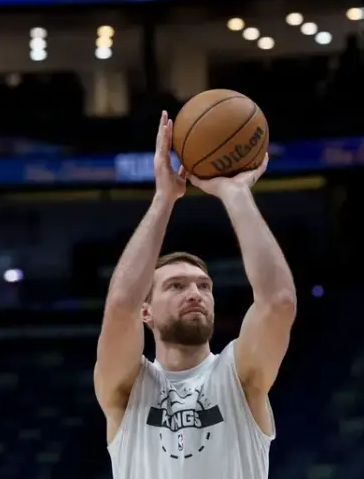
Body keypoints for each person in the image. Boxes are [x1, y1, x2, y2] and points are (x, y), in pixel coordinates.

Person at [94, 111, 297, 479]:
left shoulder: (239, 375)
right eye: (176, 286)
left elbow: (278, 300)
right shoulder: (127, 387)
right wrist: (163, 199)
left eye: (204, 286)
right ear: (147, 312)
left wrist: (235, 194)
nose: (195, 293)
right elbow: (120, 306)